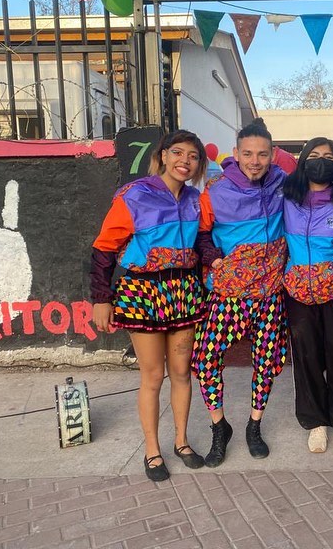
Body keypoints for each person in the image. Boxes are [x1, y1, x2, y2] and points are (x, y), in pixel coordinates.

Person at [90, 129, 209, 481]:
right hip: (142, 291)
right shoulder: (135, 195)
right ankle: (152, 449)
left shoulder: (196, 200)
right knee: (153, 375)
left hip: (184, 291)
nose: (185, 161)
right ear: (162, 156)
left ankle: (182, 441)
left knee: (182, 373)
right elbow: (104, 248)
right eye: (178, 152)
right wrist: (101, 299)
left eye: (193, 156)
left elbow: (203, 242)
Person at [192, 118, 289, 468]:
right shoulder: (215, 190)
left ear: (272, 154)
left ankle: (254, 425)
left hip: (270, 294)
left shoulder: (283, 183)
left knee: (266, 362)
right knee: (205, 360)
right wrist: (213, 257)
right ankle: (220, 427)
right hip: (228, 294)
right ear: (236, 153)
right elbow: (202, 234)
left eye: (262, 154)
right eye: (248, 153)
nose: (255, 161)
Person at [281, 136, 333, 455]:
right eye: (314, 155)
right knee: (307, 356)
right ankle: (315, 421)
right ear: (303, 161)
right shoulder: (287, 197)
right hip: (298, 289)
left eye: (328, 157)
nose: (321, 162)